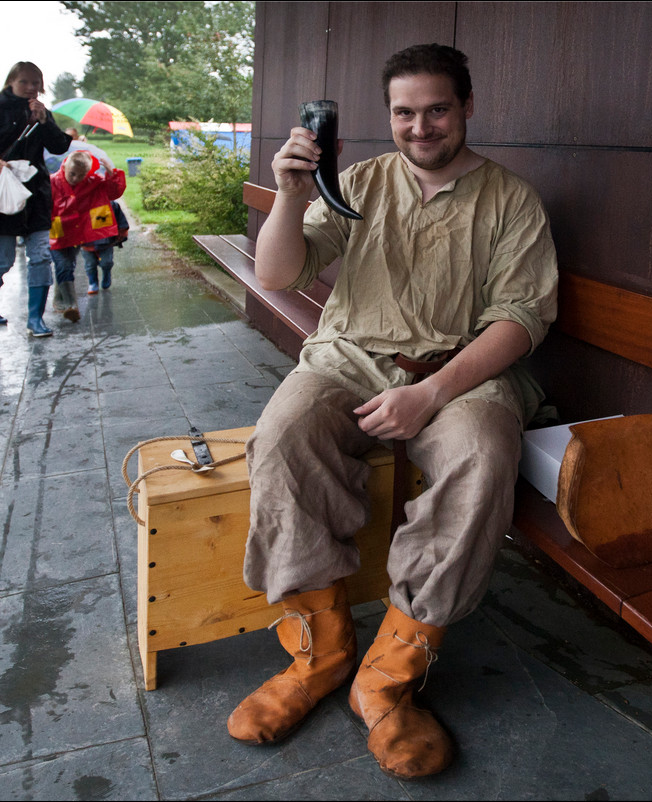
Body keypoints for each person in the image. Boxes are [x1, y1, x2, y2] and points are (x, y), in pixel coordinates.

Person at [226, 44, 558, 779]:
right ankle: (320, 652)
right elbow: (280, 272)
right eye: (403, 113)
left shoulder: (511, 199)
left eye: (436, 108)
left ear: (466, 106)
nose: (420, 126)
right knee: (281, 436)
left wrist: (431, 394)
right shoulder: (361, 183)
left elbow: (520, 319)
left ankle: (389, 681)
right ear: (387, 118)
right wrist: (289, 190)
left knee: (482, 456)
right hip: (348, 356)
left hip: (459, 369)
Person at [0, 61, 71, 337]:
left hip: (35, 194)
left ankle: (36, 318)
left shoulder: (40, 111)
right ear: (11, 81)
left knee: (40, 256)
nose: (31, 87)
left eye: (36, 82)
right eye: (25, 81)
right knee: (2, 260)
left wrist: (44, 122)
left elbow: (58, 146)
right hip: (0, 195)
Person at [48, 150, 126, 319]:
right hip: (57, 232)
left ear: (88, 173)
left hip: (77, 233)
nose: (75, 179)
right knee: (64, 265)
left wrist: (112, 173)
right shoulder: (52, 182)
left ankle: (60, 299)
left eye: (81, 175)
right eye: (72, 174)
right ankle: (71, 305)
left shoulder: (93, 182)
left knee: (67, 264)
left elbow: (113, 193)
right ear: (65, 166)